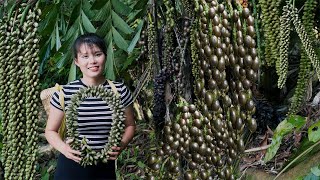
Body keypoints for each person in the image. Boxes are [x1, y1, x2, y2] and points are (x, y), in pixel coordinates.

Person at [45, 33, 136, 180]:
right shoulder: (65, 93)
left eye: (97, 54)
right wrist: (65, 149)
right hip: (71, 167)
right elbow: (50, 131)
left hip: (104, 167)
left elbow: (130, 125)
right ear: (76, 61)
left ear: (105, 56)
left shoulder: (119, 91)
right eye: (85, 56)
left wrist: (122, 144)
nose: (92, 61)